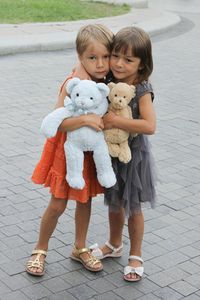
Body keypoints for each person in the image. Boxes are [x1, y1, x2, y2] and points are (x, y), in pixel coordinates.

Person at [26, 24, 114, 276]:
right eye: (92, 57)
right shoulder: (73, 83)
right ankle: (40, 248)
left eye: (105, 57)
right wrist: (86, 120)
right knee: (57, 204)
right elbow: (58, 119)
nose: (100, 63)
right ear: (80, 57)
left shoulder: (102, 83)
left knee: (85, 200)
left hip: (88, 154)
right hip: (66, 153)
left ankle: (80, 247)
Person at [90, 26, 157, 282]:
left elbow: (149, 126)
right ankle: (114, 243)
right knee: (114, 202)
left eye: (128, 60)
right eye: (115, 55)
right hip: (111, 154)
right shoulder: (107, 81)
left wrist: (115, 122)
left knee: (134, 207)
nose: (118, 63)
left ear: (142, 64)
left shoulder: (142, 89)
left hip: (134, 156)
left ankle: (136, 254)